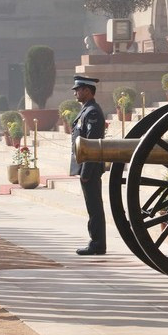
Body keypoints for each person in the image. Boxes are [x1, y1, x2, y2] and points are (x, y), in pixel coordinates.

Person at [69, 75, 106, 255]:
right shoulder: (86, 110)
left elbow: (91, 143)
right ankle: (97, 241)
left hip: (89, 167)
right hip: (86, 166)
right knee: (92, 206)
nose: (75, 93)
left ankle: (97, 243)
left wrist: (86, 171)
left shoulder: (92, 112)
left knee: (94, 206)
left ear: (87, 90)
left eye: (78, 90)